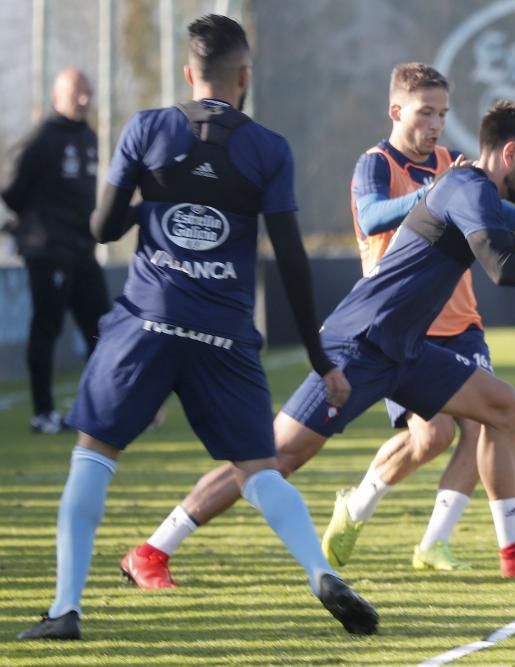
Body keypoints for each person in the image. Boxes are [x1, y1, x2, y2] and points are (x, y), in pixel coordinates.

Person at [125, 98, 515, 590]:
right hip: (359, 345)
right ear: (510, 153)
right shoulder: (467, 183)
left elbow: (486, 240)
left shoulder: (471, 190)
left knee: (505, 407)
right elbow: (500, 268)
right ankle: (152, 550)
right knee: (274, 459)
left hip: (405, 350)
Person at [17, 15, 378, 641]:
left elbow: (101, 228)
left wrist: (151, 199)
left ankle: (65, 609)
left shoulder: (147, 128)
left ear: (188, 74)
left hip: (145, 322)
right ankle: (319, 571)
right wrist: (322, 361)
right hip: (224, 333)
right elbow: (289, 258)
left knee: (94, 453)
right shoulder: (269, 149)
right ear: (244, 77)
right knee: (259, 469)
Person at [324, 62, 515, 572]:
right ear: (396, 110)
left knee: (484, 424)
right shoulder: (376, 163)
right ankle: (356, 508)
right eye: (426, 111)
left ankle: (435, 543)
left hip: (461, 319)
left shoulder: (451, 163)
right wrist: (436, 190)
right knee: (433, 435)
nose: (436, 124)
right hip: (405, 322)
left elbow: (498, 219)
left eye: (443, 113)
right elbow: (374, 214)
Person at [2, 68, 110, 434]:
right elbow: (14, 192)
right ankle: (43, 413)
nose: (84, 99)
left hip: (82, 249)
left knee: (101, 329)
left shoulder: (89, 137)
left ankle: (98, 409)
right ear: (56, 96)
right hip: (48, 250)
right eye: (77, 92)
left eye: (88, 92)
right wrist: (31, 223)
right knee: (46, 329)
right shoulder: (42, 140)